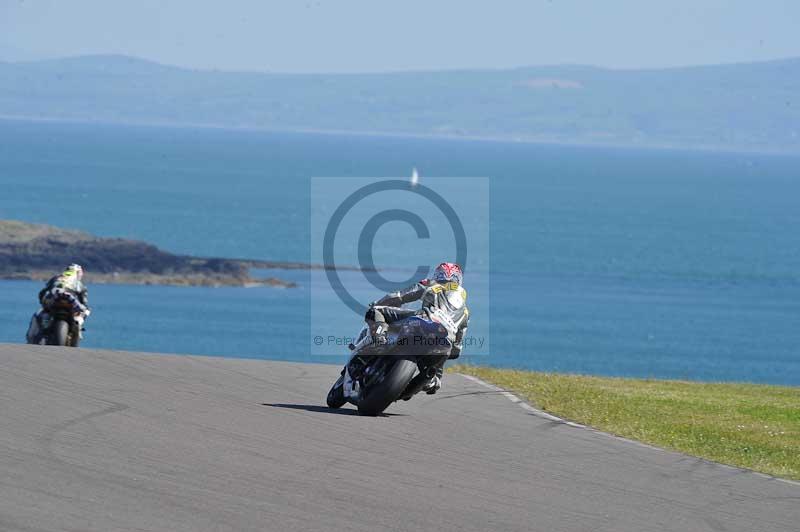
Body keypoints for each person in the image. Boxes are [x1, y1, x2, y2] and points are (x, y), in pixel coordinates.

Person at [364, 262, 469, 396]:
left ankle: (380, 341)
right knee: (435, 372)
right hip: (445, 340)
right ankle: (431, 380)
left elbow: (398, 296)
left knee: (376, 311)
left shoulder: (432, 284)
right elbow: (457, 348)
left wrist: (379, 303)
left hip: (425, 320)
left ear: (438, 274)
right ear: (459, 279)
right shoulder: (465, 311)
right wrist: (452, 352)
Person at [27, 264, 91, 344]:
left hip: (54, 299)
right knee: (83, 313)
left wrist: (43, 302)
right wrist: (85, 309)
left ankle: (38, 333)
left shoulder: (56, 278)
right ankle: (78, 332)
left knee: (40, 313)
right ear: (78, 273)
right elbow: (84, 301)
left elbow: (42, 293)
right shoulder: (79, 284)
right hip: (70, 302)